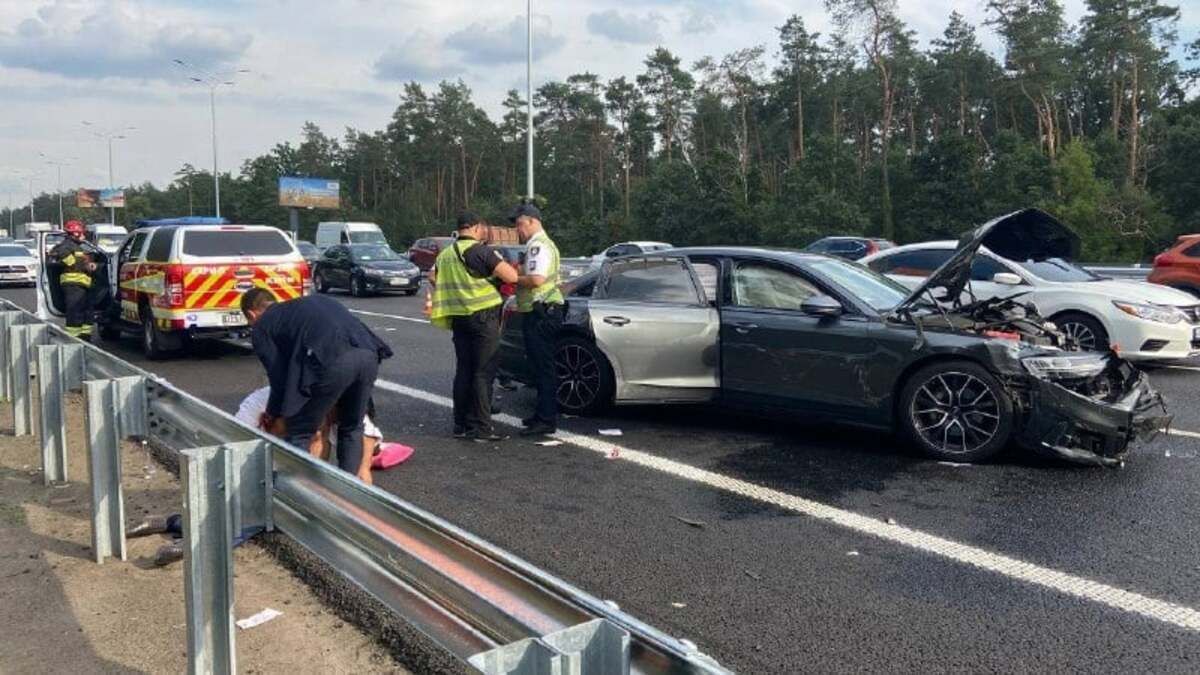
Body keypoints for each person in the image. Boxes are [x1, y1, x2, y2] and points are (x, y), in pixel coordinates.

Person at [240, 288, 393, 478]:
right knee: (351, 427)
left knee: (300, 431)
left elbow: (279, 378)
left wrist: (273, 414)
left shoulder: (262, 326)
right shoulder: (308, 303)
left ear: (251, 314)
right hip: (368, 353)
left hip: (332, 361)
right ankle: (349, 492)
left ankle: (302, 494)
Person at [428, 211, 519, 442]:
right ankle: (481, 427)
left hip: (459, 318)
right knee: (483, 372)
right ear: (477, 227)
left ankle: (461, 423)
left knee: (464, 371)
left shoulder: (446, 254)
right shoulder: (480, 251)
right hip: (482, 317)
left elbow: (432, 277)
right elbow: (511, 277)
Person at [510, 203, 564, 436]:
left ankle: (546, 419)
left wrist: (513, 276)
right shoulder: (539, 244)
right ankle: (541, 415)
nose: (517, 230)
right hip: (541, 310)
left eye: (520, 225)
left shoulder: (538, 246)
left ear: (532, 221)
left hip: (541, 312)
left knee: (543, 367)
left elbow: (537, 280)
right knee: (539, 367)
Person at [48, 220, 96, 340]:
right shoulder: (65, 246)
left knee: (87, 310)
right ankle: (74, 338)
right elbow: (70, 262)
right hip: (73, 284)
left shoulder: (76, 247)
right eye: (81, 233)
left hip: (82, 284)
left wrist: (88, 263)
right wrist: (85, 264)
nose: (83, 236)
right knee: (75, 311)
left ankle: (85, 335)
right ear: (75, 233)